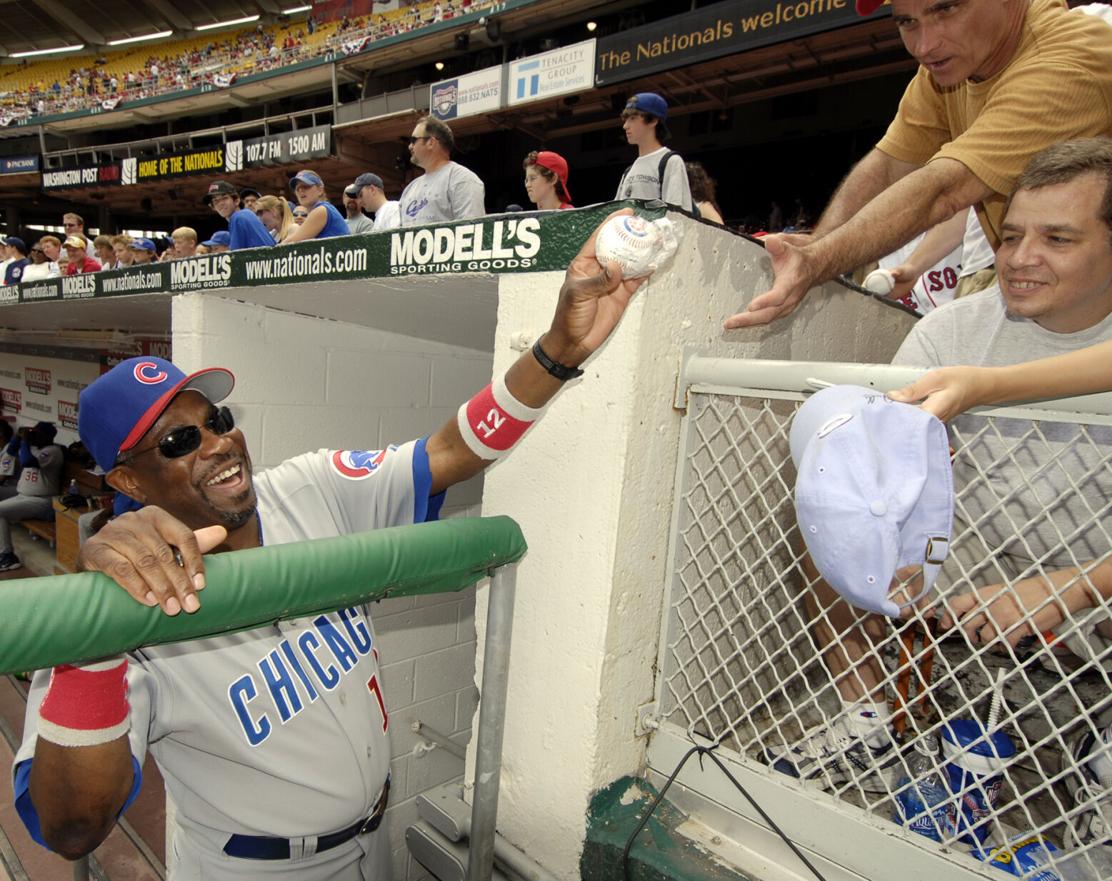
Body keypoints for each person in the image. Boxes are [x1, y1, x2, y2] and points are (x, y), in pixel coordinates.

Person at [10, 211, 647, 880]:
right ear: (126, 479)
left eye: (215, 419)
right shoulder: (124, 601)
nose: (218, 442)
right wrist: (98, 640)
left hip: (376, 837)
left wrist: (558, 350)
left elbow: (448, 451)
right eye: (179, 442)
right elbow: (72, 825)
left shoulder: (310, 487)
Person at [792, 138, 1112, 853]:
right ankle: (869, 721)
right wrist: (882, 530)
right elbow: (879, 474)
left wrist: (1063, 589)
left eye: (1057, 238)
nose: (1018, 258)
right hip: (968, 561)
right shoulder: (953, 325)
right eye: (1011, 234)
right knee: (828, 517)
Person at [726, 0, 1112, 330]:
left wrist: (818, 262)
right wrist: (817, 245)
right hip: (1092, 314)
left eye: (946, 9)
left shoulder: (1071, 56)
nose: (924, 44)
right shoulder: (949, 71)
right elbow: (891, 163)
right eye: (906, 21)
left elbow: (943, 190)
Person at [890, 316, 1112, 421]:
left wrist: (986, 386)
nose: (1020, 257)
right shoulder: (948, 326)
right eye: (1009, 238)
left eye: (1058, 240)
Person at [614, 93, 693, 214]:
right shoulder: (628, 172)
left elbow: (679, 216)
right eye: (625, 119)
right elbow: (616, 215)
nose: (625, 126)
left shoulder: (671, 162)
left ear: (653, 120)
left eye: (632, 118)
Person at [398, 116, 485, 227]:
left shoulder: (462, 179)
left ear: (431, 142)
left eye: (413, 140)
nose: (410, 146)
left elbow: (472, 231)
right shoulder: (409, 189)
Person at [0, 421, 63, 571]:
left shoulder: (53, 451)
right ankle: (5, 553)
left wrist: (26, 440)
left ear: (46, 437)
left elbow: (28, 461)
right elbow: (12, 451)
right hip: (23, 496)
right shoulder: (33, 447)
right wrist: (18, 436)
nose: (33, 436)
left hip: (42, 501)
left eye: (37, 433)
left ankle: (7, 556)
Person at [202, 180, 275, 251]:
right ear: (213, 207)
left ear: (236, 200)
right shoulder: (245, 214)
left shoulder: (238, 218)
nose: (221, 203)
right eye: (216, 201)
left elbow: (235, 257)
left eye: (224, 198)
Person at [285, 170, 351, 243]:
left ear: (320, 190)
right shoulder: (322, 209)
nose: (300, 190)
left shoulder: (321, 210)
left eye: (305, 186)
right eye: (297, 188)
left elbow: (290, 244)